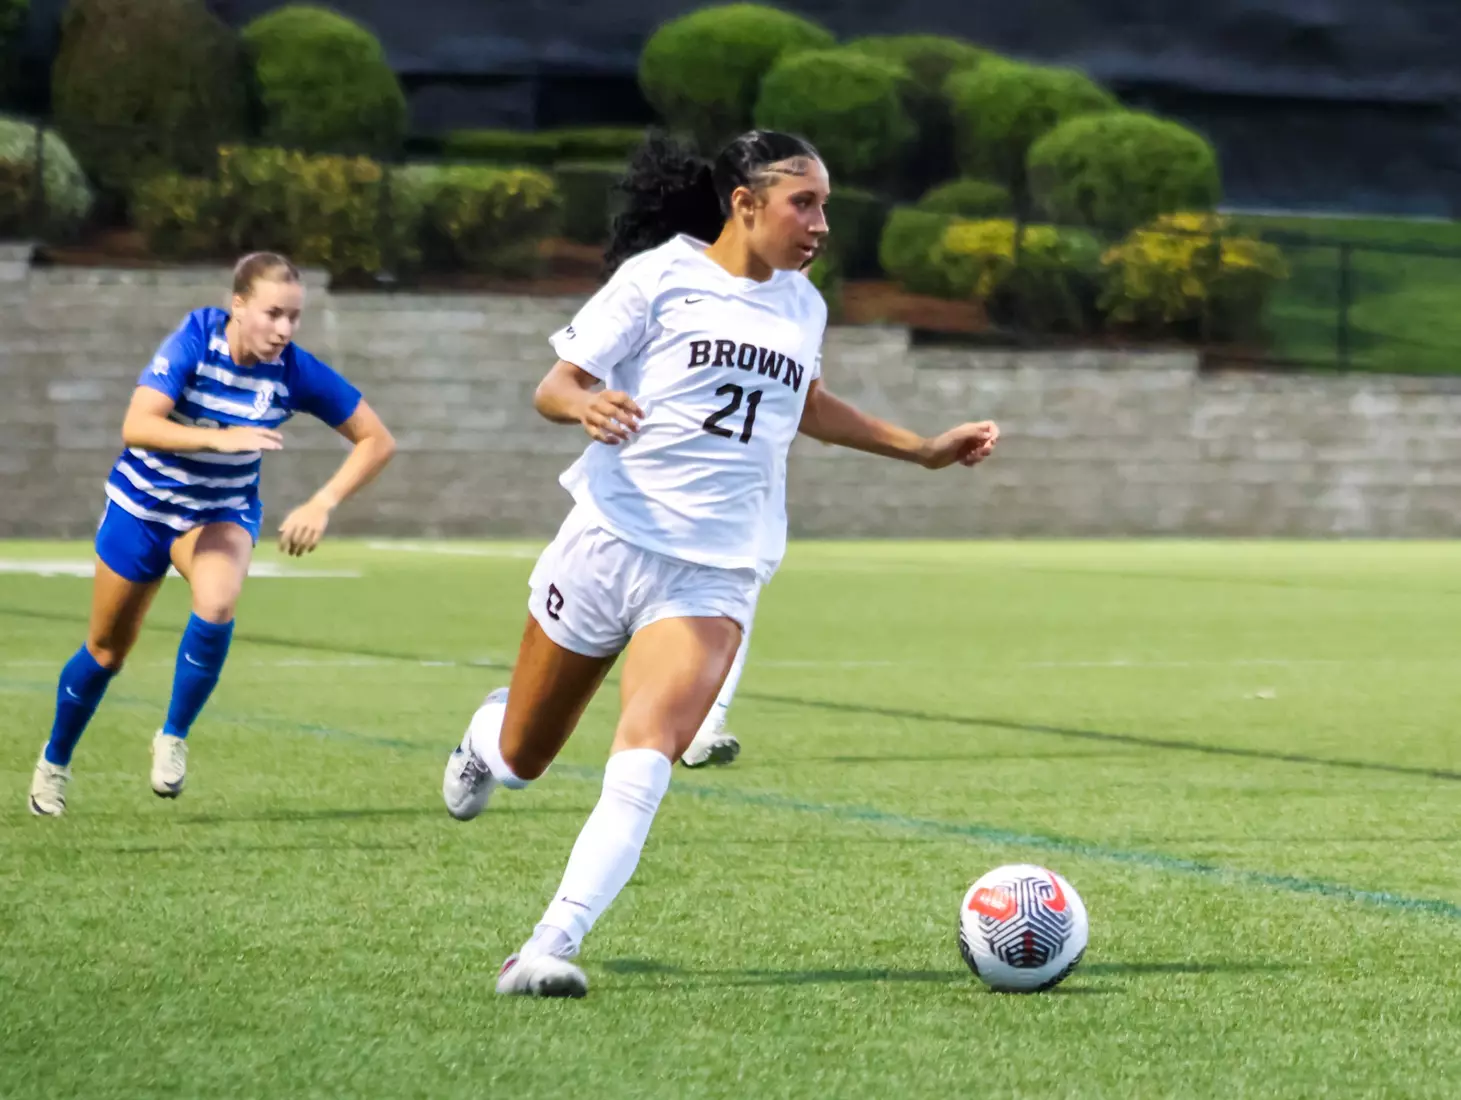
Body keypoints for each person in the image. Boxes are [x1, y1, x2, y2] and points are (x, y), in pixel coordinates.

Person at [440, 130, 999, 997]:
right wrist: (586, 406)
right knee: (523, 758)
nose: (819, 224)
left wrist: (921, 448)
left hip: (713, 570)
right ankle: (485, 738)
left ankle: (545, 946)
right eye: (802, 203)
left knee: (645, 759)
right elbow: (555, 385)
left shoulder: (803, 307)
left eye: (824, 206)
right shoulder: (658, 277)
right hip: (608, 541)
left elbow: (808, 404)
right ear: (744, 204)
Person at [27, 252, 397, 817]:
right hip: (142, 508)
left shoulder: (293, 371)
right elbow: (137, 424)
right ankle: (54, 761)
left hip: (219, 512)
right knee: (106, 651)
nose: (284, 329)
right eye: (273, 314)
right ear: (238, 306)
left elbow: (377, 439)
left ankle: (173, 735)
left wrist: (322, 503)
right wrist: (219, 438)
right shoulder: (195, 341)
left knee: (218, 602)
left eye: (294, 317)